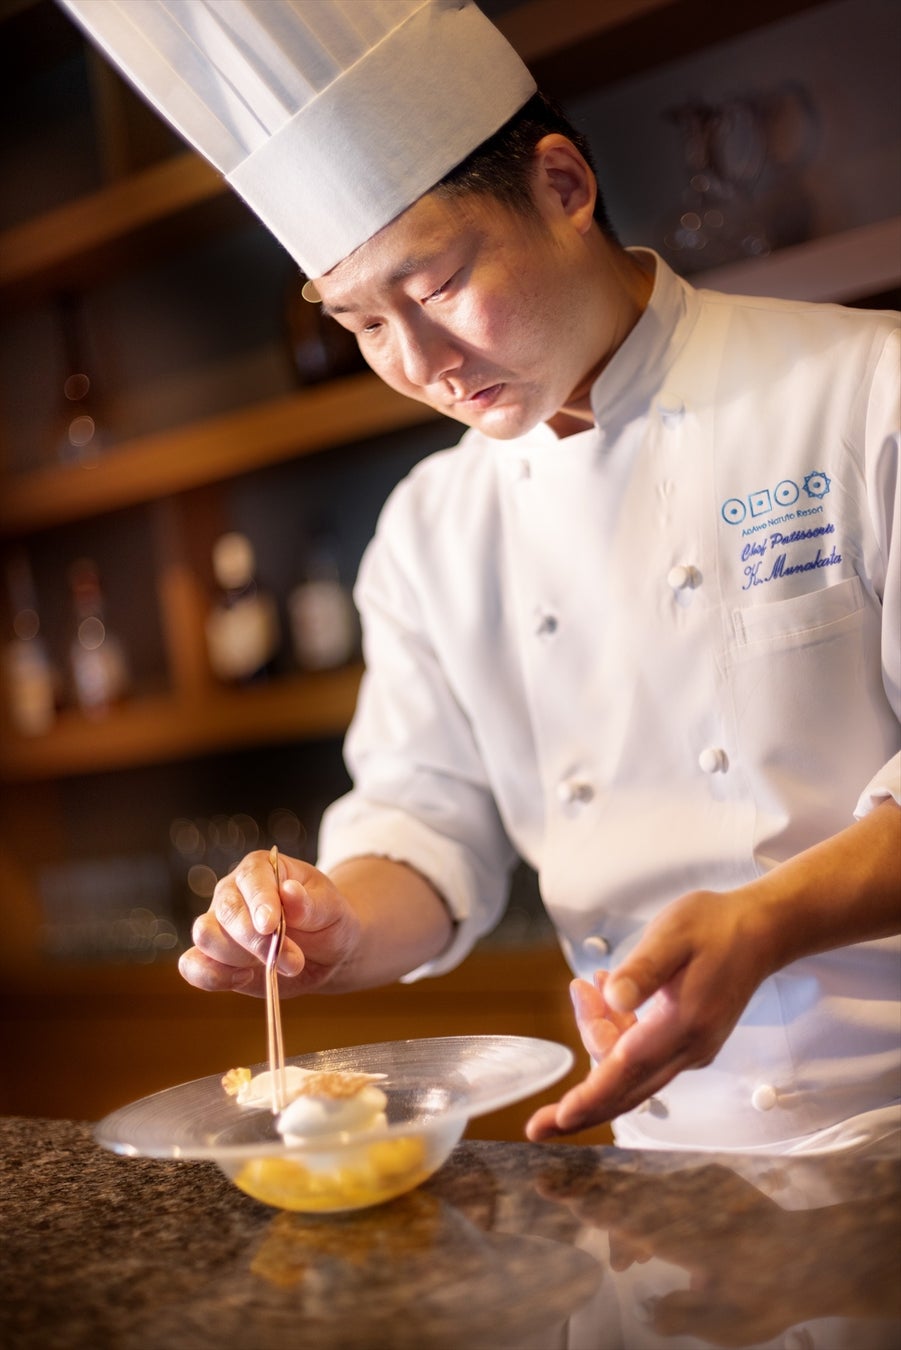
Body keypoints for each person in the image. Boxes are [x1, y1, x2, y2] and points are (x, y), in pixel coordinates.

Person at [62, 1, 900, 1154]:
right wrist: (335, 919)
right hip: (665, 1160)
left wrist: (766, 920)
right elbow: (428, 827)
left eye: (440, 284)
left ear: (563, 186)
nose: (417, 365)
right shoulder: (431, 527)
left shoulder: (864, 394)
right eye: (363, 322)